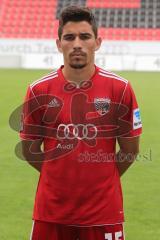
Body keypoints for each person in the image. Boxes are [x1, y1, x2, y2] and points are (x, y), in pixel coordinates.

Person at [20, 5, 142, 240]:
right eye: (69, 37)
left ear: (97, 42)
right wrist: (58, 177)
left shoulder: (120, 89)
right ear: (59, 44)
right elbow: (30, 151)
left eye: (85, 36)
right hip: (51, 211)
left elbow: (130, 151)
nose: (77, 43)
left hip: (104, 212)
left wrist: (101, 177)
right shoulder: (38, 91)